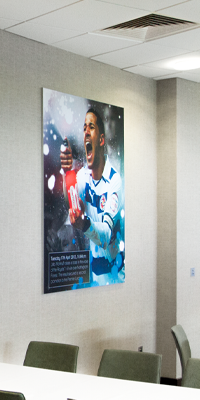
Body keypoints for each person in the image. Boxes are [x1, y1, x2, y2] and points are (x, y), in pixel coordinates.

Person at [60, 108, 124, 286]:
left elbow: (104, 236)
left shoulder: (114, 181)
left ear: (101, 140)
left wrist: (85, 224)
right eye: (84, 128)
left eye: (92, 127)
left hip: (117, 274)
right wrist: (67, 173)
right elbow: (71, 204)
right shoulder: (83, 176)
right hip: (96, 275)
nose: (86, 131)